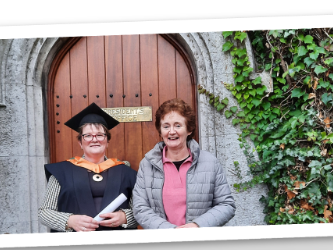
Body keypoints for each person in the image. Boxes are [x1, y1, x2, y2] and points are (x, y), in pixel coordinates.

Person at [133, 98, 236, 229]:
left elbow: (226, 205)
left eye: (178, 125)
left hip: (200, 243)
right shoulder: (147, 165)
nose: (171, 131)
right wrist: (171, 231)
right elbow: (140, 208)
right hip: (163, 243)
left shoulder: (210, 162)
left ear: (189, 129)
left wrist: (197, 226)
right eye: (166, 126)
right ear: (160, 131)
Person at [39, 103, 138, 232]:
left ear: (107, 141)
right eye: (88, 135)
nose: (94, 139)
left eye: (100, 135)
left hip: (116, 244)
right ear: (80, 142)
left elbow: (142, 210)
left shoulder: (126, 172)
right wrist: (70, 221)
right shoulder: (61, 172)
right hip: (75, 245)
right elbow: (44, 212)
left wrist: (125, 217)